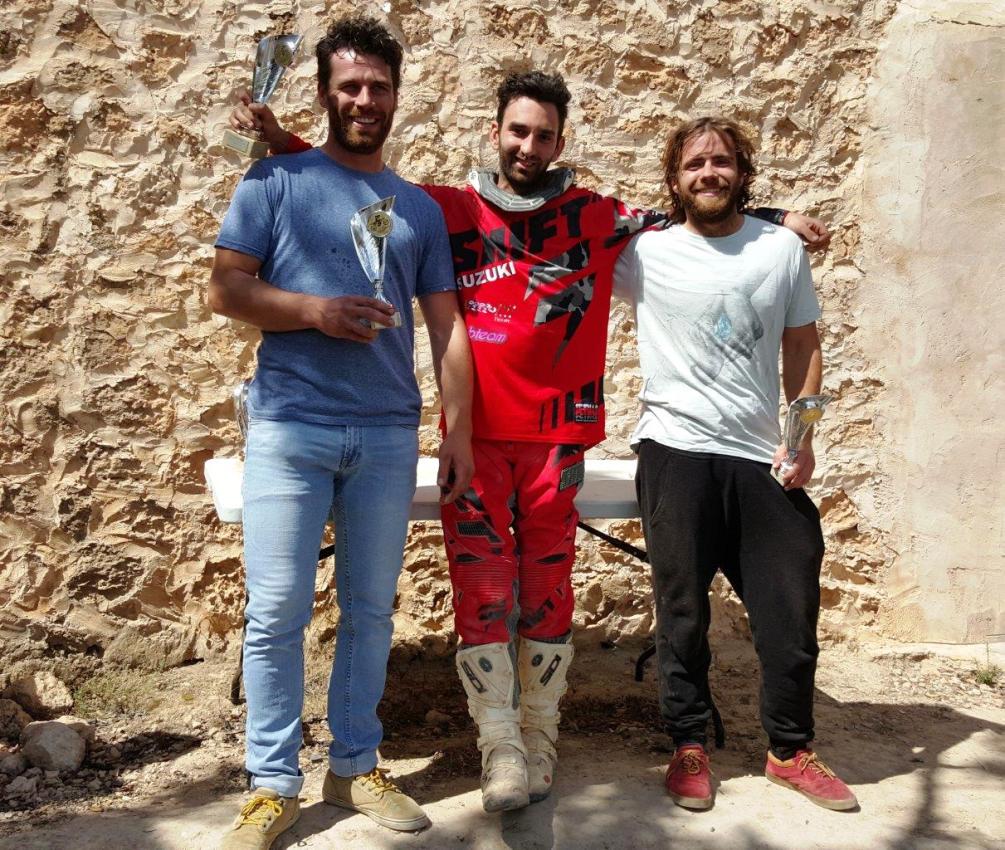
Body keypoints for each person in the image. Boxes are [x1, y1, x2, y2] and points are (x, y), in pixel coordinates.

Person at [235, 72, 829, 813]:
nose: (528, 146)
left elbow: (692, 213)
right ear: (496, 133)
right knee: (483, 594)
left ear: (559, 142)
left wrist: (778, 216)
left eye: (543, 135)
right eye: (517, 131)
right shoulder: (446, 208)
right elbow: (359, 184)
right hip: (474, 443)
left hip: (559, 442)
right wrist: (286, 142)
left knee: (547, 594)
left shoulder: (596, 216)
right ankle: (500, 749)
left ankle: (540, 738)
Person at [209, 17, 473, 850]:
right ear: (324, 93)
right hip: (289, 427)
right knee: (276, 610)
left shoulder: (418, 208)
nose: (364, 99)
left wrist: (457, 432)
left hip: (388, 436)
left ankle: (355, 765)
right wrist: (314, 311)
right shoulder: (273, 181)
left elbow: (447, 326)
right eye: (349, 86)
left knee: (368, 612)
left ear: (396, 95)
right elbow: (224, 290)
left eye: (378, 87)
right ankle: (271, 784)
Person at [614, 117, 857, 812]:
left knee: (789, 603)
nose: (708, 173)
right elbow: (569, 230)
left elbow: (802, 344)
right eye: (694, 164)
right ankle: (688, 745)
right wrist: (781, 210)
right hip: (673, 449)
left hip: (758, 453)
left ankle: (789, 751)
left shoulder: (779, 250)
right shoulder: (645, 252)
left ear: (742, 173)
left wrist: (802, 437)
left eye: (721, 161)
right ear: (674, 179)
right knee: (682, 611)